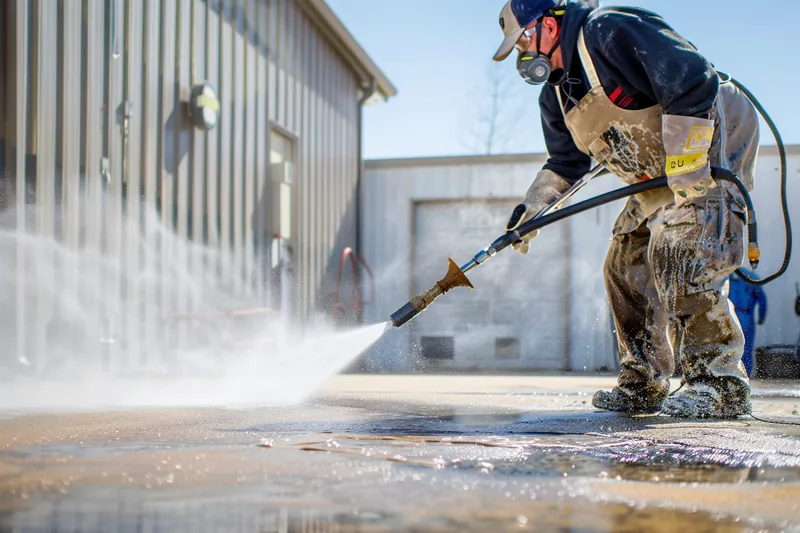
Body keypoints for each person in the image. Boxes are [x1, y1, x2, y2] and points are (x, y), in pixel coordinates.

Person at [493, 0, 759, 417]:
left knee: (680, 245)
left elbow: (691, 79)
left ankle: (718, 383)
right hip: (653, 169)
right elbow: (566, 163)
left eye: (524, 38)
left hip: (704, 132)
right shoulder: (556, 97)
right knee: (622, 264)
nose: (525, 52)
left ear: (549, 23)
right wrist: (533, 209)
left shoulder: (606, 30)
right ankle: (644, 382)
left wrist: (688, 160)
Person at [728, 269, 767, 378]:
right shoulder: (751, 276)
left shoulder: (726, 276)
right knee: (746, 347)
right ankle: (745, 376)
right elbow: (762, 299)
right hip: (745, 316)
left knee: (731, 347)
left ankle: (733, 375)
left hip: (732, 316)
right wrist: (761, 316)